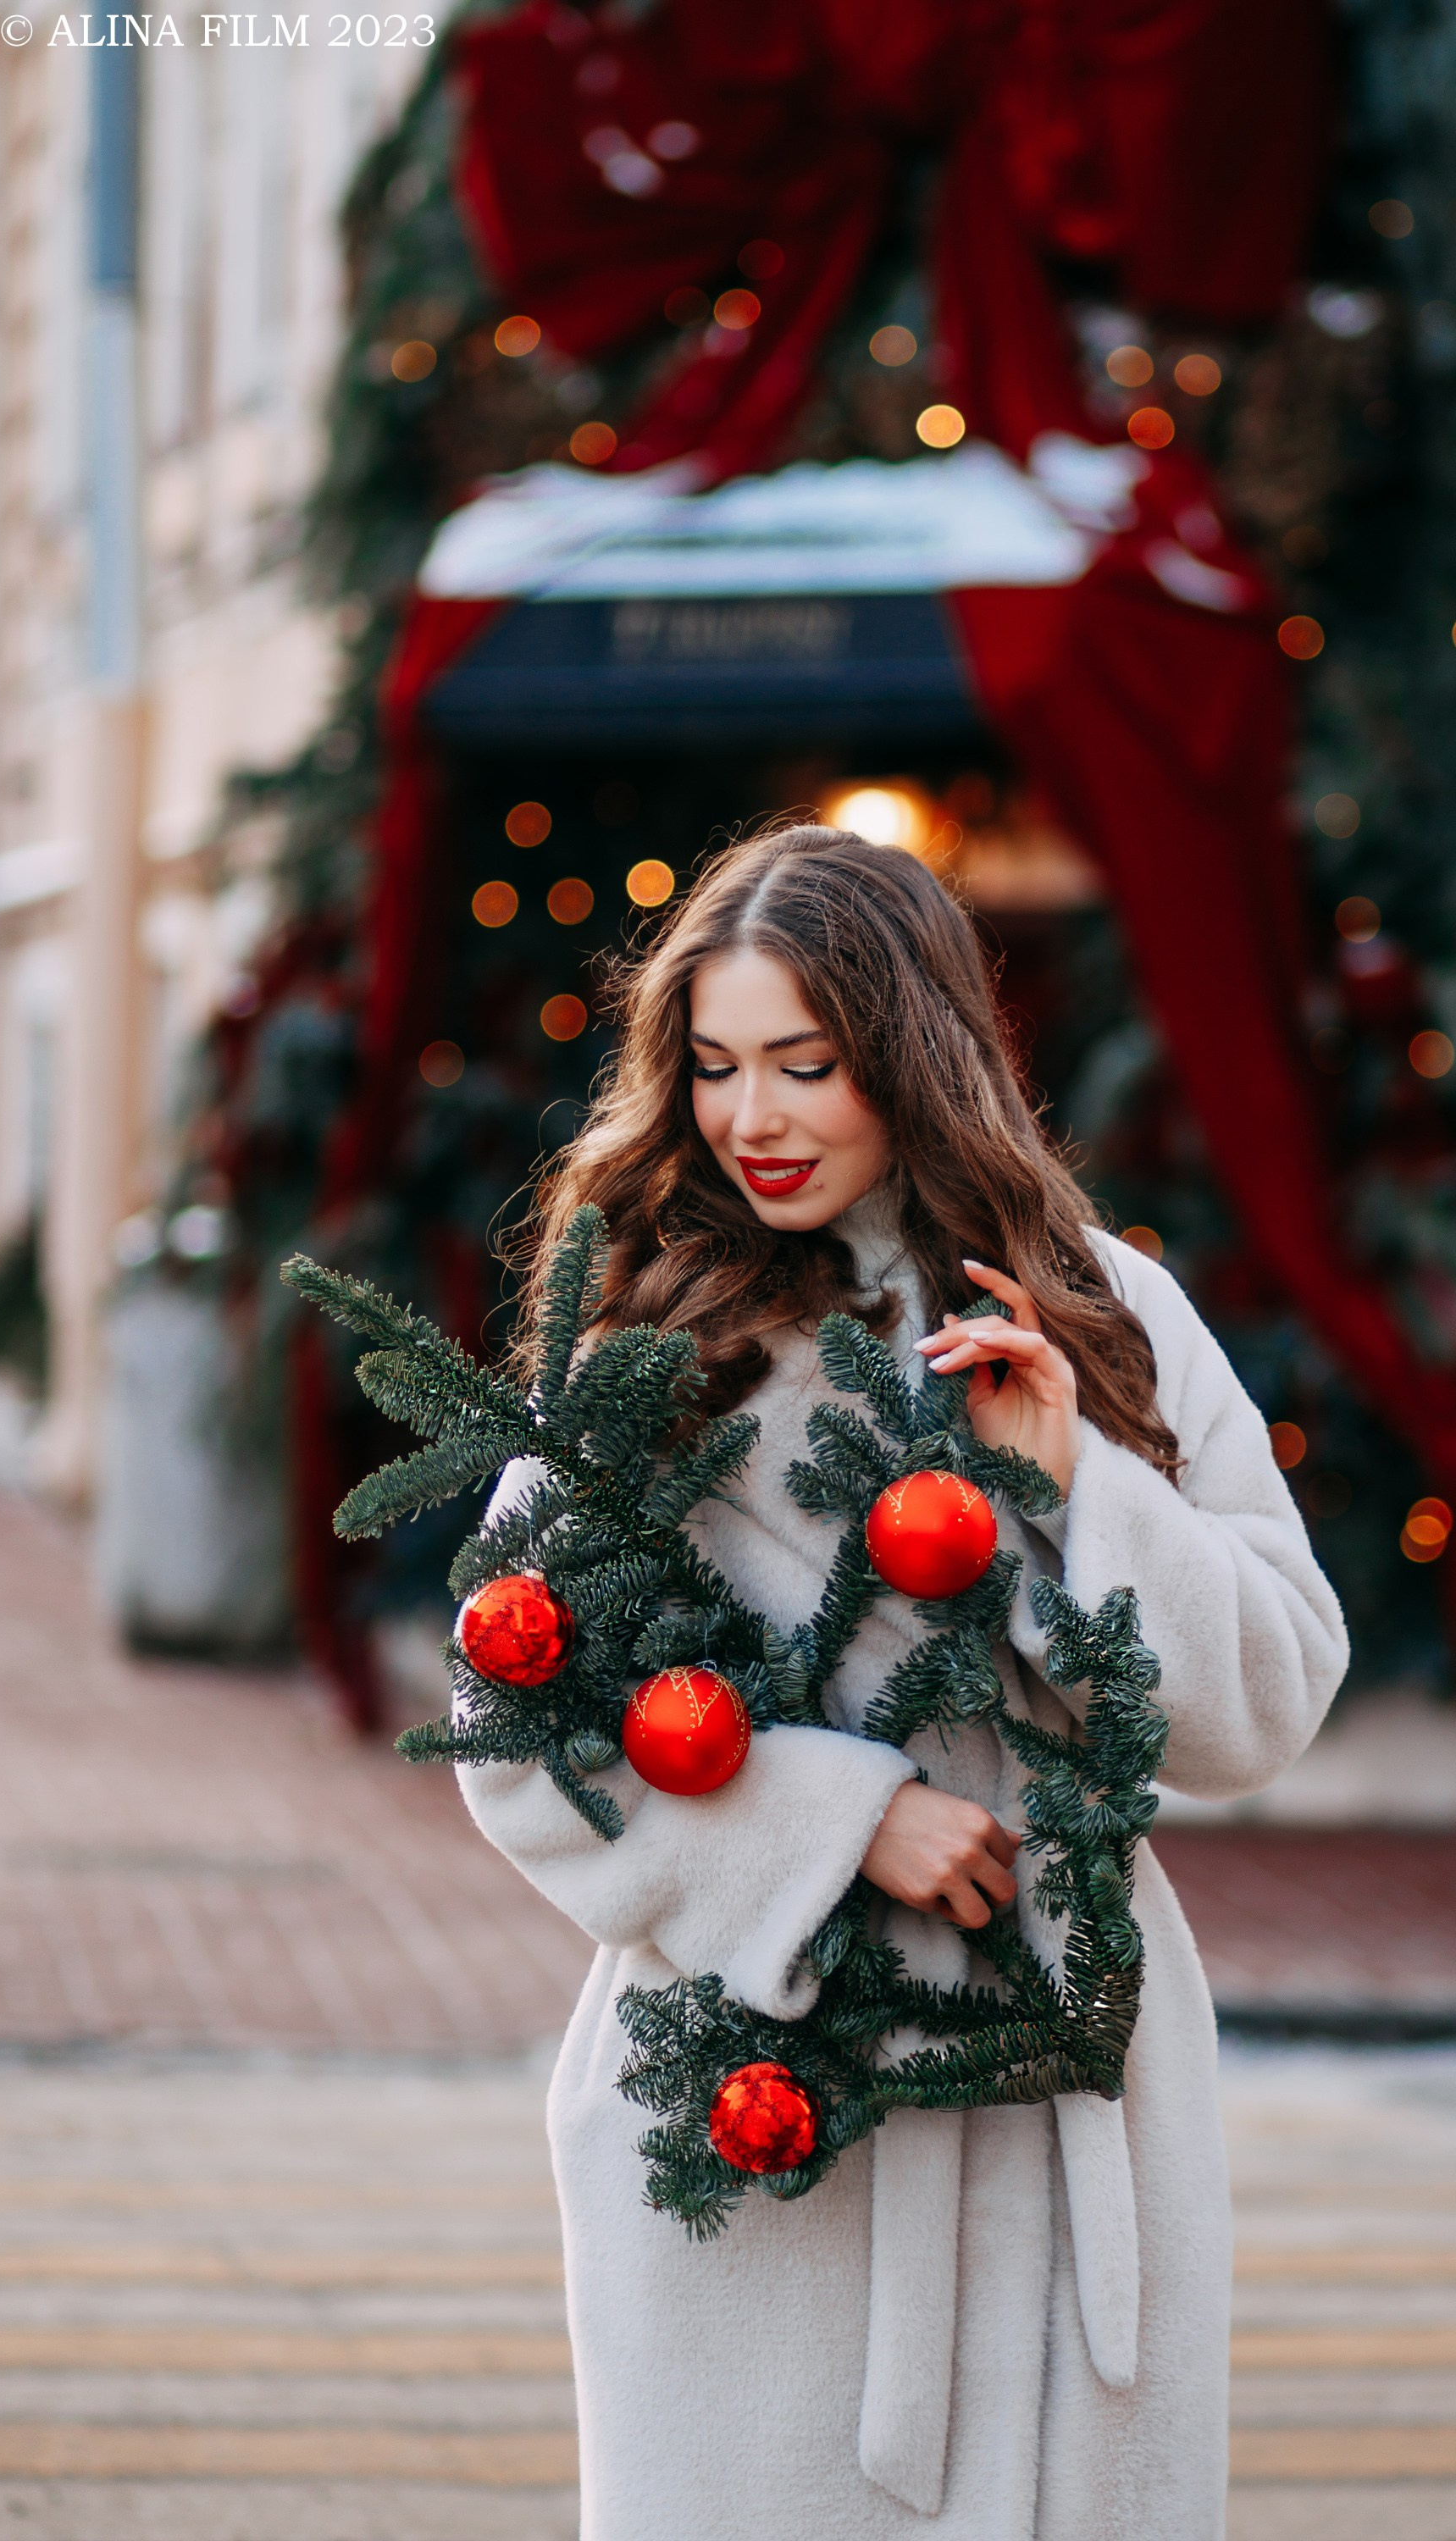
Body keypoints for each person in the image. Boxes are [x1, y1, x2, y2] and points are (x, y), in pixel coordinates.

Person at [457, 822, 1347, 2541]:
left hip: (1064, 2077)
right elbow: (518, 1720)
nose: (753, 1117)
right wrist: (839, 1821)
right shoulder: (651, 1342)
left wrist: (1079, 1473)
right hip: (758, 2093)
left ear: (912, 1054)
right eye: (712, 1066)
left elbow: (1272, 1684)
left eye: (806, 1061)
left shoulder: (1102, 1311)